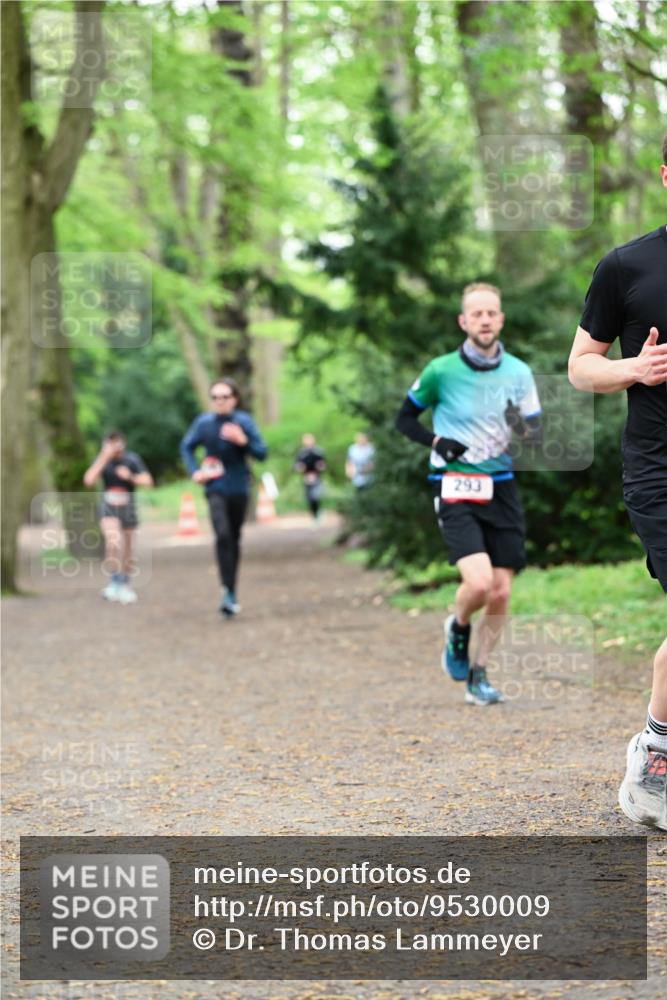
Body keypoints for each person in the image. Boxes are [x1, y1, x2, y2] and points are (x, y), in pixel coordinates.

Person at [568, 134, 667, 831]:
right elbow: (579, 366)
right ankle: (655, 756)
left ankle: (655, 742)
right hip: (659, 470)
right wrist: (631, 370)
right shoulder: (626, 266)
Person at [395, 282, 541, 705]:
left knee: (501, 591)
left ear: (501, 319)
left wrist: (523, 429)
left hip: (501, 487)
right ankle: (458, 625)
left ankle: (479, 674)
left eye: (491, 313)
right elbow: (405, 419)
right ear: (463, 321)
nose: (484, 320)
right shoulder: (441, 370)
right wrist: (437, 443)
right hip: (454, 485)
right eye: (476, 313)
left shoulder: (518, 372)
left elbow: (534, 428)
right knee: (477, 584)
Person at [180, 378, 268, 618]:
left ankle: (231, 589)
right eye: (215, 398)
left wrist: (243, 441)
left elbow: (262, 453)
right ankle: (226, 591)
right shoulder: (204, 423)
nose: (219, 401)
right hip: (215, 487)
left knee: (234, 538)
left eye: (224, 397)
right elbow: (186, 446)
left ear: (235, 399)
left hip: (239, 488)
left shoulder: (244, 422)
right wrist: (195, 471)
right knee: (223, 535)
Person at [83, 431, 154, 604]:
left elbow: (148, 481)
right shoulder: (103, 461)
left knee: (128, 548)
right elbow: (89, 480)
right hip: (109, 507)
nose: (114, 447)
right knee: (113, 542)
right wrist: (103, 457)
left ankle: (125, 583)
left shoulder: (132, 460)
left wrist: (130, 476)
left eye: (116, 443)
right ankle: (114, 581)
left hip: (128, 506)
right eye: (110, 444)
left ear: (123, 443)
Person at [294, 433, 326, 520]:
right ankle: (314, 515)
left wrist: (320, 467)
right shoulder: (301, 453)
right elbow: (297, 465)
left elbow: (323, 465)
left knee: (316, 496)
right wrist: (300, 468)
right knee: (309, 499)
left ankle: (318, 513)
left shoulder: (319, 451)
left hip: (316, 477)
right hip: (306, 477)